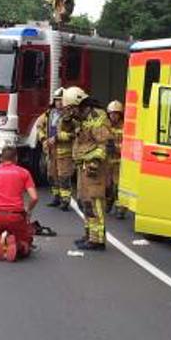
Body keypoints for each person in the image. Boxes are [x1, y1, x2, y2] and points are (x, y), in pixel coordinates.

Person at [65, 86, 112, 251]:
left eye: (71, 108)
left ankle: (97, 240)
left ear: (78, 104)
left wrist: (95, 162)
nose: (70, 112)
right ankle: (89, 235)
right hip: (83, 166)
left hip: (94, 168)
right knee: (84, 201)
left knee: (94, 202)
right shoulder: (81, 118)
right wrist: (68, 119)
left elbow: (104, 144)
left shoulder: (97, 117)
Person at [36, 87, 66, 208]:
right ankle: (56, 197)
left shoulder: (69, 115)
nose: (59, 102)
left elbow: (72, 133)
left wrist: (57, 138)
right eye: (57, 100)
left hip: (64, 150)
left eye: (61, 100)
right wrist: (43, 139)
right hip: (50, 149)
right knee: (51, 174)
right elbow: (39, 127)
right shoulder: (48, 114)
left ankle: (65, 200)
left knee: (63, 175)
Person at [105, 100, 126, 219]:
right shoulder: (105, 126)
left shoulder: (125, 127)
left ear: (120, 114)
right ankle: (109, 201)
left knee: (118, 186)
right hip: (107, 162)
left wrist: (116, 148)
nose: (113, 116)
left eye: (116, 113)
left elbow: (128, 146)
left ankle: (120, 209)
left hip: (119, 163)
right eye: (111, 113)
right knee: (107, 186)